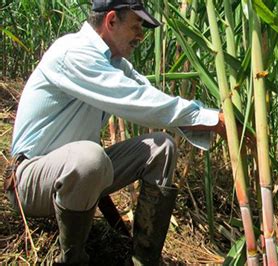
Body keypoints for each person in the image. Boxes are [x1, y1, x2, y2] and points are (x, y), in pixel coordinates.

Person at [6, 0, 226, 265]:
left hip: (77, 177)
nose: (141, 35)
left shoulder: (115, 62)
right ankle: (73, 259)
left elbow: (152, 97)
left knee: (162, 147)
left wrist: (215, 120)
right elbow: (137, 100)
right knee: (90, 157)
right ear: (111, 21)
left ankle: (143, 259)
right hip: (31, 180)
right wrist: (213, 120)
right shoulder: (73, 53)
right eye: (136, 26)